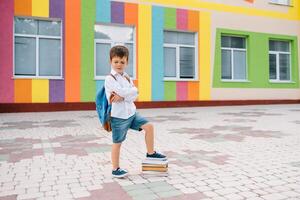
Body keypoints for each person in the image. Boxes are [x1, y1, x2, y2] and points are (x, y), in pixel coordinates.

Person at [105, 45, 166, 178]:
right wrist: (129, 93)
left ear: (127, 62)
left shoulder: (126, 77)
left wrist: (124, 96)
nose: (119, 64)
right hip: (119, 117)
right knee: (117, 142)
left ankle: (151, 153)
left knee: (149, 127)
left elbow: (135, 94)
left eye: (122, 62)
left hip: (132, 113)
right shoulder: (109, 79)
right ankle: (115, 169)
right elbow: (127, 92)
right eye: (116, 61)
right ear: (111, 61)